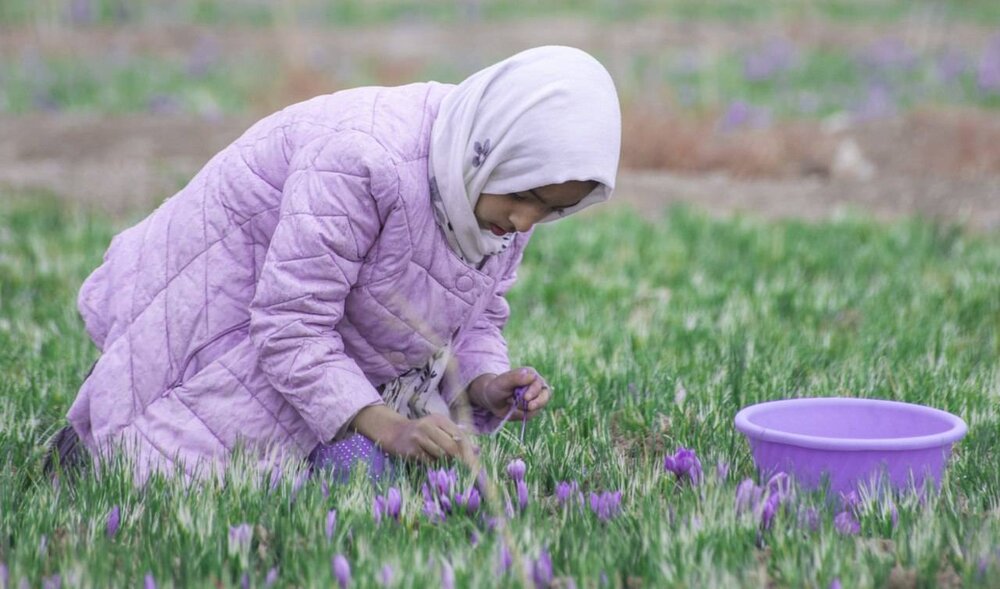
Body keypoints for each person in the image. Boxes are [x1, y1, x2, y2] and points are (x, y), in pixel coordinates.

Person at [44, 45, 621, 487]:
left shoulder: (492, 195)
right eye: (527, 197)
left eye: (552, 209)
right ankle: (83, 457)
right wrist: (387, 426)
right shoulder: (361, 160)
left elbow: (477, 312)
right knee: (183, 463)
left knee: (382, 475)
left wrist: (487, 384)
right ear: (493, 152)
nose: (526, 222)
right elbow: (288, 324)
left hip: (330, 339)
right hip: (229, 314)